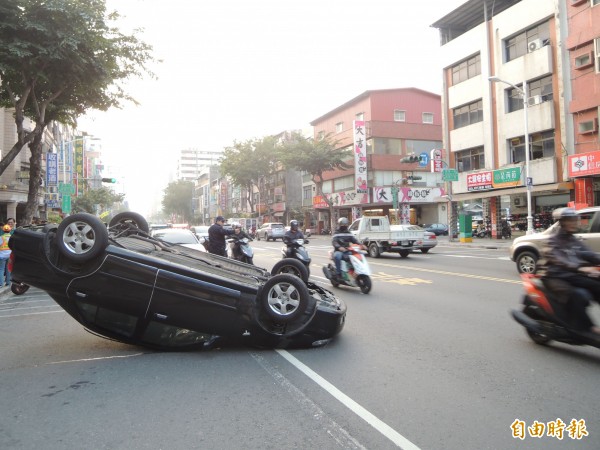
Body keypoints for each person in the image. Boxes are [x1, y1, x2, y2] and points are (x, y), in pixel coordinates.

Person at [539, 207, 600, 335]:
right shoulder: (552, 241)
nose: (574, 223)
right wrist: (580, 268)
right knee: (578, 294)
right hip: (554, 276)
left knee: (596, 284)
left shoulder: (573, 239)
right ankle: (586, 328)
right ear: (562, 222)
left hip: (571, 275)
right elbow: (560, 260)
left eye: (575, 220)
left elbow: (588, 254)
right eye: (570, 220)